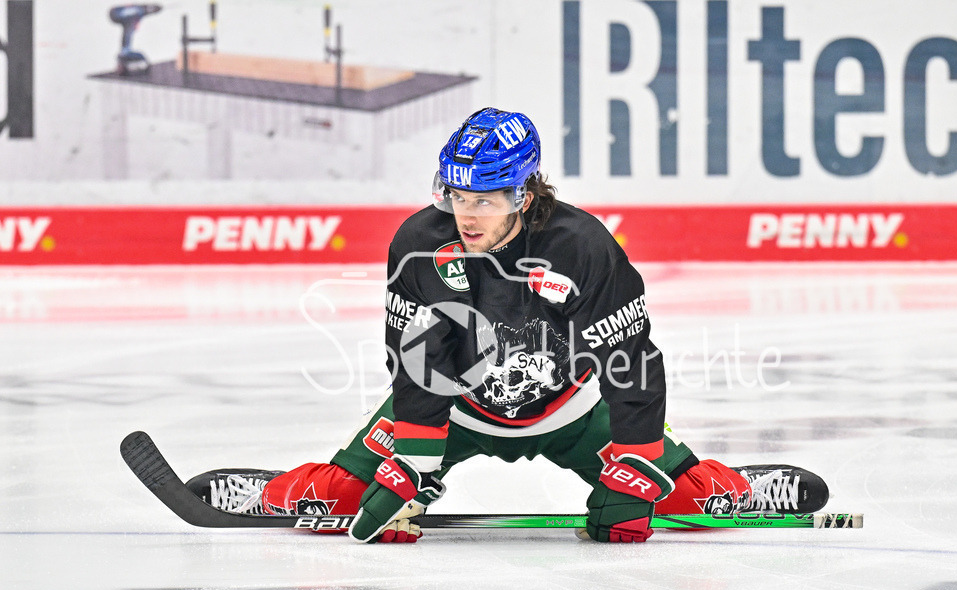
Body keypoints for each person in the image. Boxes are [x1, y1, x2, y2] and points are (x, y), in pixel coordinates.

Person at [186, 108, 829, 543]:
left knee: (671, 493)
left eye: (486, 201)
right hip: (458, 410)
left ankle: (734, 493)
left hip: (569, 410)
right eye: (456, 196)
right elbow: (417, 360)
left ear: (523, 194)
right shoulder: (418, 243)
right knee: (357, 494)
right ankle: (276, 493)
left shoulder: (581, 247)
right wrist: (409, 461)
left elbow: (631, 358)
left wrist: (636, 464)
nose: (467, 215)